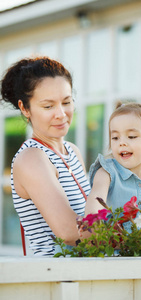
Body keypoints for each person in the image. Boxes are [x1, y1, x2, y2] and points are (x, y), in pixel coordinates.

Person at [0, 56, 91, 256]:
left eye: (66, 102)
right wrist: (134, 239)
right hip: (56, 280)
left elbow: (89, 216)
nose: (61, 114)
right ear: (25, 108)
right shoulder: (31, 158)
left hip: (86, 275)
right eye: (48, 106)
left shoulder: (73, 152)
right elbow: (69, 232)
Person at [85, 100, 141, 229]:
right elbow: (93, 209)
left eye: (131, 136)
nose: (122, 143)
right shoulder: (106, 173)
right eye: (115, 137)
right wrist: (97, 227)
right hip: (109, 246)